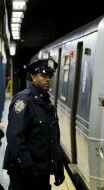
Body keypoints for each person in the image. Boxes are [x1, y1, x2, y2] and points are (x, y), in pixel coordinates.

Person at [3, 58, 65, 190]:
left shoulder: (46, 102)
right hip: (24, 173)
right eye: (43, 75)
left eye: (50, 76)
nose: (48, 79)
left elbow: (52, 138)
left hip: (42, 171)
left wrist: (58, 165)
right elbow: (14, 137)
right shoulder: (23, 100)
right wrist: (27, 166)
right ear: (33, 76)